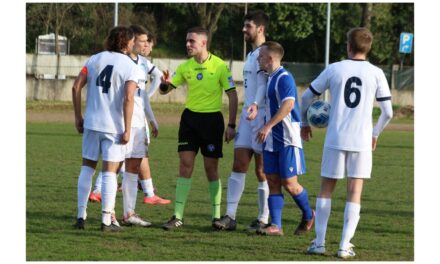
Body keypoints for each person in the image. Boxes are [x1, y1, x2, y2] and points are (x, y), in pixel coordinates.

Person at [302, 27, 393, 258]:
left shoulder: (335, 68)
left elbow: (306, 96)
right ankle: (344, 246)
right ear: (368, 47)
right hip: (361, 141)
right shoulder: (376, 73)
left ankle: (320, 243)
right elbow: (388, 112)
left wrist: (304, 122)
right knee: (354, 192)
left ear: (348, 46)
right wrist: (375, 133)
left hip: (335, 138)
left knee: (326, 190)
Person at [159, 27, 238, 230]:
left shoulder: (220, 66)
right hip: (190, 120)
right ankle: (177, 216)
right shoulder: (185, 67)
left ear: (203, 43)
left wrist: (231, 124)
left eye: (192, 41)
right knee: (185, 165)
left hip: (212, 121)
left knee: (211, 169)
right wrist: (164, 84)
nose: (188, 44)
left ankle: (216, 216)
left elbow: (232, 95)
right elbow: (166, 90)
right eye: (187, 41)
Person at [88, 28, 170, 206]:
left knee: (129, 158)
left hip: (138, 117)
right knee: (119, 159)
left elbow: (148, 89)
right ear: (130, 41)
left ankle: (139, 195)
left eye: (147, 41)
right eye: (141, 41)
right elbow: (128, 97)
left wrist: (151, 114)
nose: (145, 44)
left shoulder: (142, 62)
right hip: (125, 119)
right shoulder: (123, 63)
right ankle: (140, 194)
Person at [72, 26, 138, 232]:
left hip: (91, 123)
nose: (133, 44)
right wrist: (127, 128)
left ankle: (80, 216)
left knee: (87, 168)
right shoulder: (130, 65)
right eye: (132, 41)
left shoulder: (94, 59)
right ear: (127, 43)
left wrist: (78, 116)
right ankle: (106, 221)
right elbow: (129, 98)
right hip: (114, 128)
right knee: (110, 172)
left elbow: (75, 87)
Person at [213, 10, 270, 231]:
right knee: (238, 164)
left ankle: (264, 218)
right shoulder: (250, 55)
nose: (244, 30)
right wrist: (233, 123)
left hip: (263, 115)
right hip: (248, 115)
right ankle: (230, 216)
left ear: (260, 29)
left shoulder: (266, 53)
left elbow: (265, 85)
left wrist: (256, 105)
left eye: (248, 26)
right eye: (244, 26)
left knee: (262, 170)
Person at [255, 41, 315, 236]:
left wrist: (268, 125)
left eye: (261, 56)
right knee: (272, 180)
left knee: (289, 184)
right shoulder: (270, 77)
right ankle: (276, 225)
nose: (258, 59)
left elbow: (288, 105)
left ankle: (309, 214)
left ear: (270, 59)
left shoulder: (284, 77)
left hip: (287, 139)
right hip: (271, 140)